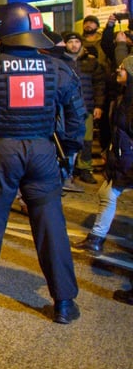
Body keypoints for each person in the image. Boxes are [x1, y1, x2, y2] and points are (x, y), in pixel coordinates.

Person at [0, 2, 84, 324]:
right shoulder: (58, 68)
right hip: (43, 151)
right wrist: (69, 156)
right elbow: (77, 117)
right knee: (52, 227)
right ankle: (63, 302)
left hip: (1, 152)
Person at [75, 57, 133, 257]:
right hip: (123, 158)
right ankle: (95, 239)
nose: (118, 70)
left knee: (108, 194)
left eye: (123, 68)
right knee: (106, 194)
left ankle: (96, 239)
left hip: (128, 160)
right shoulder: (121, 98)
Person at [59, 32, 106, 188]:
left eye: (77, 41)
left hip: (86, 107)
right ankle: (67, 171)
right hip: (66, 108)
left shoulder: (91, 63)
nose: (74, 45)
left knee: (86, 140)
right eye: (70, 42)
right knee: (67, 140)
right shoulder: (60, 61)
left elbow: (99, 85)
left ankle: (85, 168)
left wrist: (98, 105)